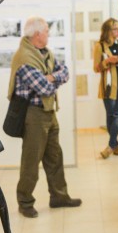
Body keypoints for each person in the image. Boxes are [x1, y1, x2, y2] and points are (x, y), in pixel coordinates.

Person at [11, 17, 82, 217]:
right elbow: (44, 87)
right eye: (47, 32)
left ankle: (59, 196)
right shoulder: (24, 58)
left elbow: (65, 72)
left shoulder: (46, 54)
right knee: (31, 161)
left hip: (49, 112)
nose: (49, 34)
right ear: (37, 35)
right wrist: (51, 78)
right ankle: (25, 202)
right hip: (33, 115)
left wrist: (52, 77)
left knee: (55, 157)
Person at [93, 18, 118, 158]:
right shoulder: (100, 46)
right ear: (108, 31)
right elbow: (96, 69)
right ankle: (116, 145)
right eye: (115, 29)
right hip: (108, 87)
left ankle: (110, 146)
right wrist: (108, 61)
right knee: (111, 116)